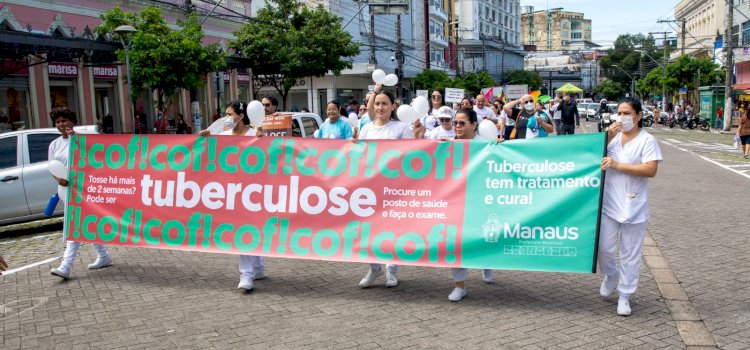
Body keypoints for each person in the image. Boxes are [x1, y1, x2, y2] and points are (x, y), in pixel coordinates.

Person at [599, 97, 662, 316]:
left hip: (634, 206)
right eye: (619, 113)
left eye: (627, 113)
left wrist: (618, 165)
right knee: (604, 248)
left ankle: (625, 295)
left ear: (637, 116)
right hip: (609, 203)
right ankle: (610, 275)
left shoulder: (647, 140)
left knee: (630, 254)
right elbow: (592, 154)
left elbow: (650, 170)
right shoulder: (612, 139)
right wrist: (608, 135)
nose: (622, 117)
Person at [357, 84, 413, 288]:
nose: (380, 107)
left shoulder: (401, 128)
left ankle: (392, 270)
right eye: (377, 103)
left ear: (393, 106)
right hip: (370, 188)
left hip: (394, 188)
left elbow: (411, 157)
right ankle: (374, 269)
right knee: (368, 230)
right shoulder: (366, 129)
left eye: (384, 103)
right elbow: (360, 157)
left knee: (393, 230)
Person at [49, 107, 113, 279]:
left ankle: (66, 266)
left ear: (72, 122)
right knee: (82, 222)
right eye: (58, 121)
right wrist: (59, 179)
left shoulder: (81, 140)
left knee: (74, 224)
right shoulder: (54, 144)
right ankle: (104, 255)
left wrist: (75, 139)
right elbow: (52, 167)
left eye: (64, 120)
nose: (61, 124)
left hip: (82, 188)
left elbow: (94, 159)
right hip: (65, 190)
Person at [445, 108, 495, 301]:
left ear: (474, 125)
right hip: (457, 202)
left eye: (461, 123)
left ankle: (487, 264)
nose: (457, 126)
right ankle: (459, 285)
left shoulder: (486, 145)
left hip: (481, 201)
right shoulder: (447, 145)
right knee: (456, 243)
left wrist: (501, 146)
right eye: (455, 122)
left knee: (484, 237)